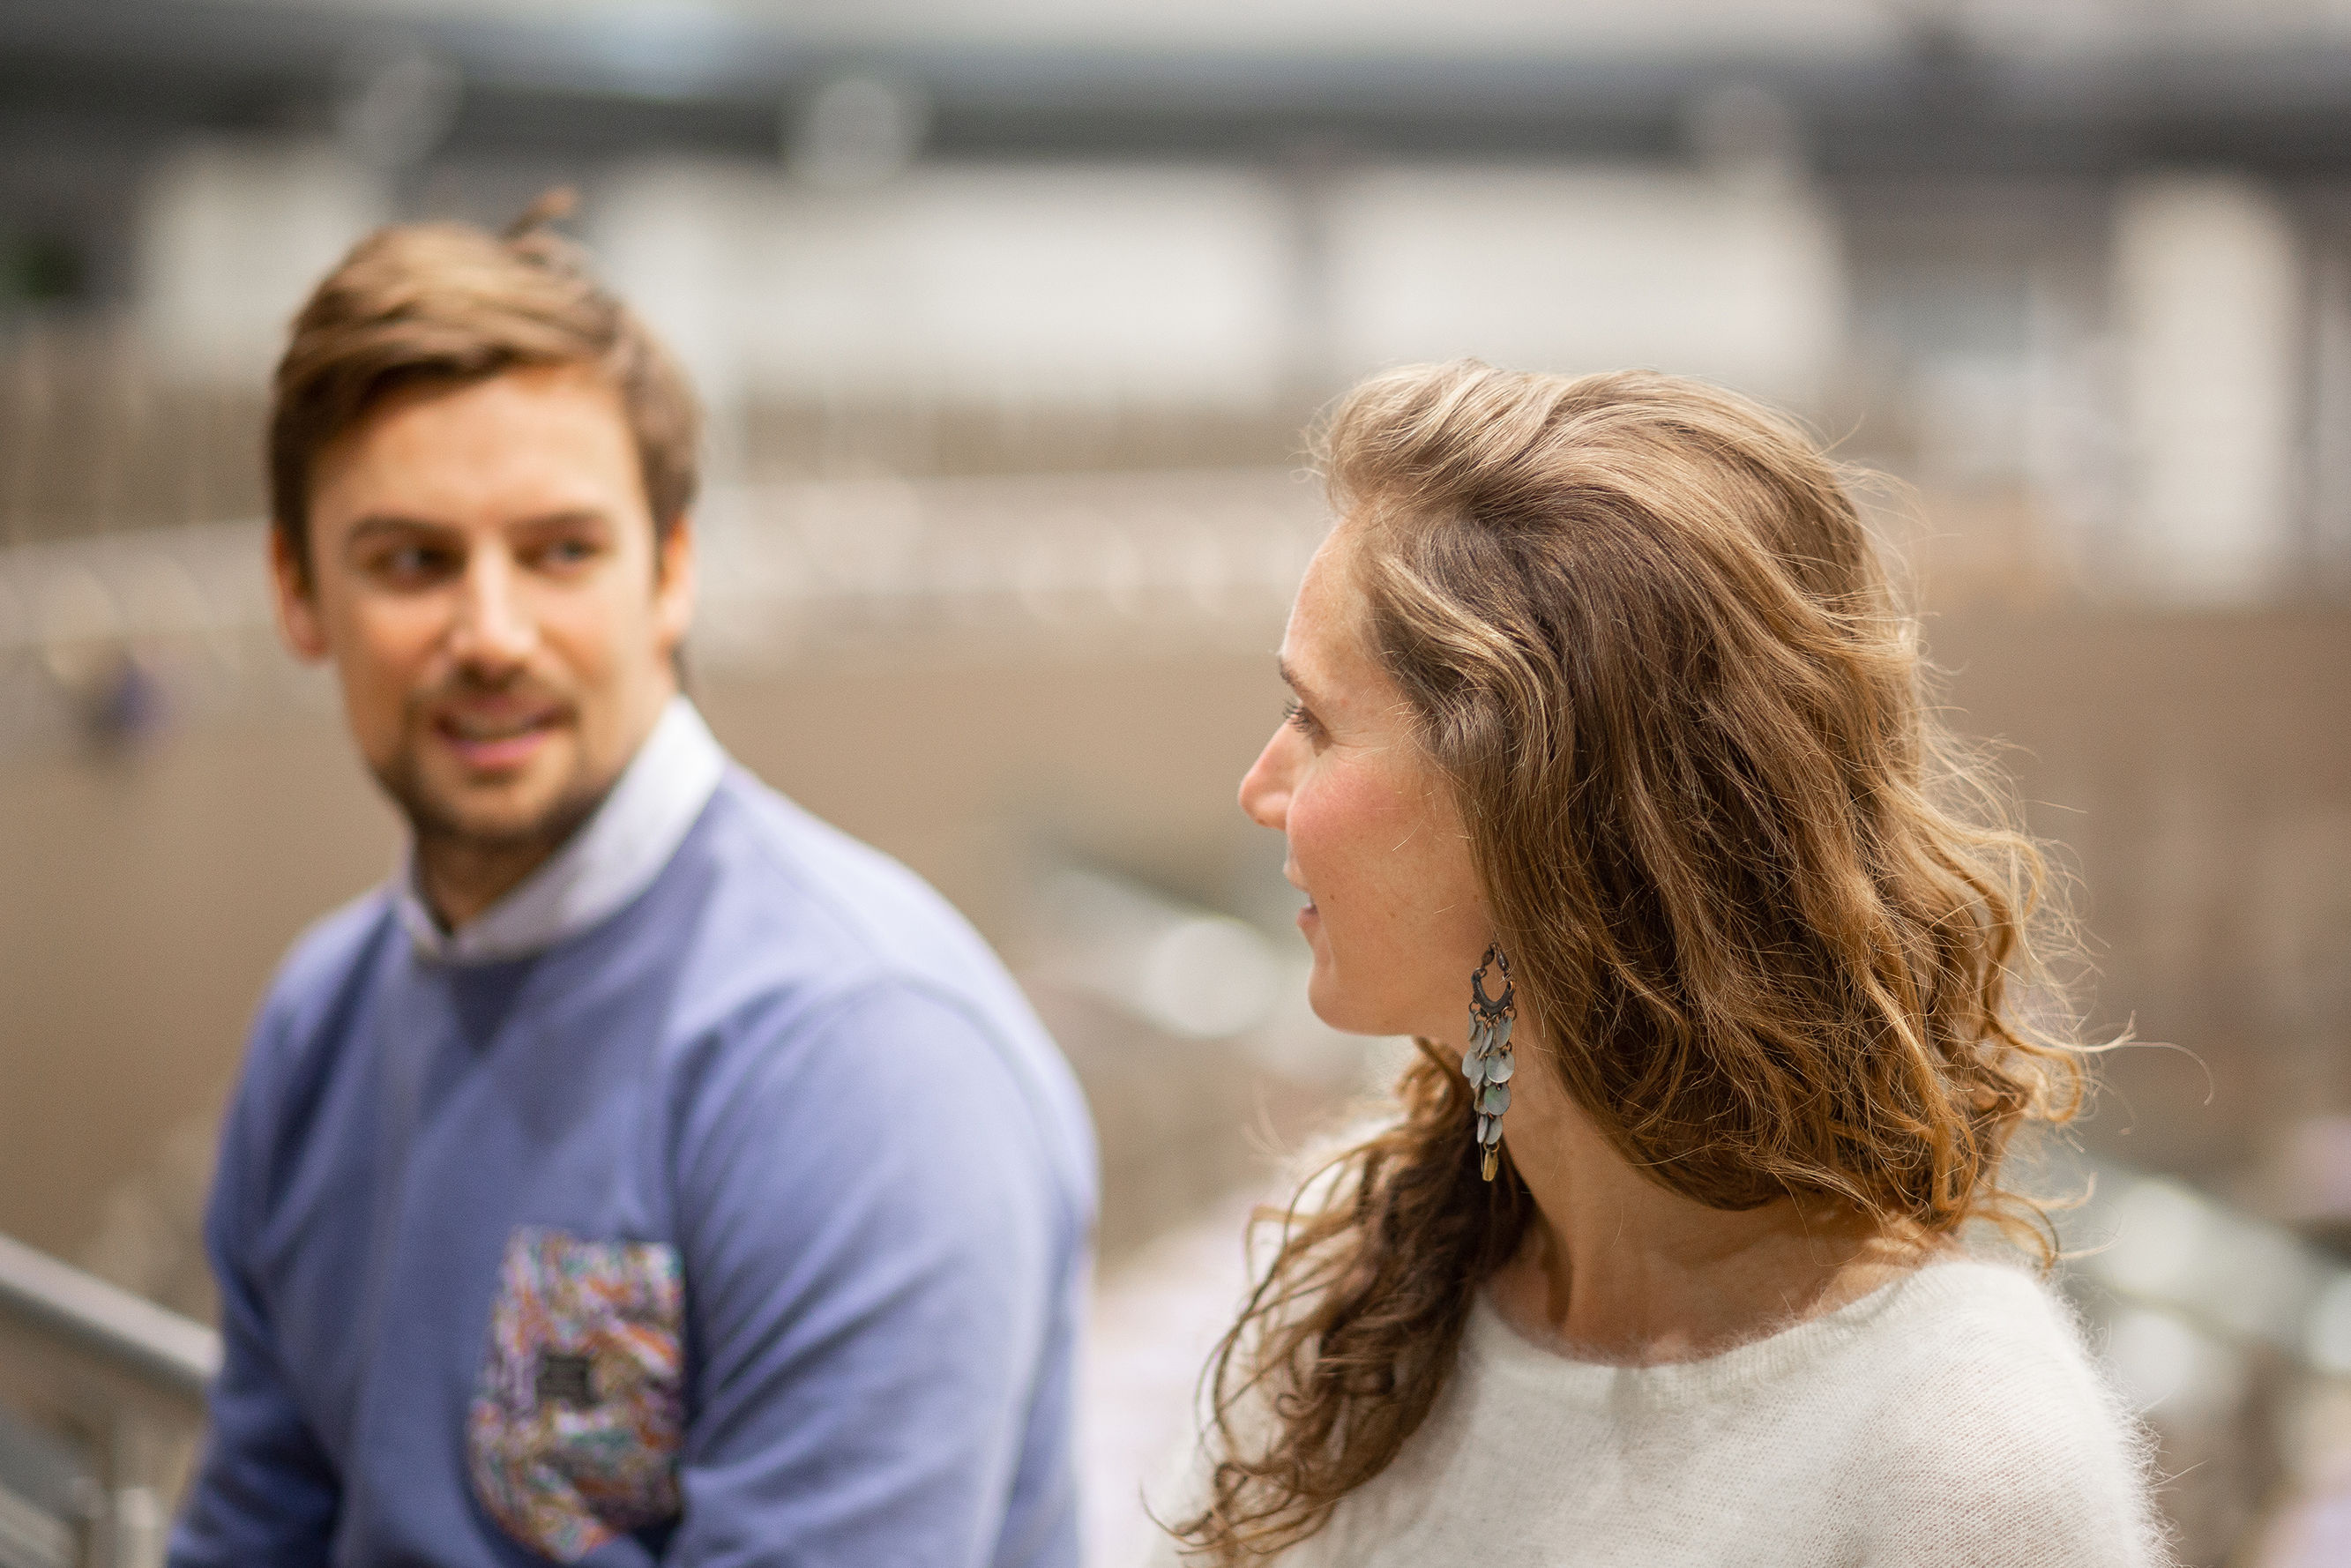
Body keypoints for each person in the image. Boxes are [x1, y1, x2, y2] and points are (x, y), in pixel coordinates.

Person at [168, 202, 1096, 1568]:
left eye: (560, 551)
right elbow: (253, 1532)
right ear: (298, 589)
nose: (491, 634)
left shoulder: (860, 1063)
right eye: (413, 560)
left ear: (671, 570)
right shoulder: (320, 1022)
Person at [1157, 362, 2162, 1566]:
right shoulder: (1344, 1276)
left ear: (1529, 816)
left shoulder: (1962, 1457)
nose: (1259, 787)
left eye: (1314, 719)